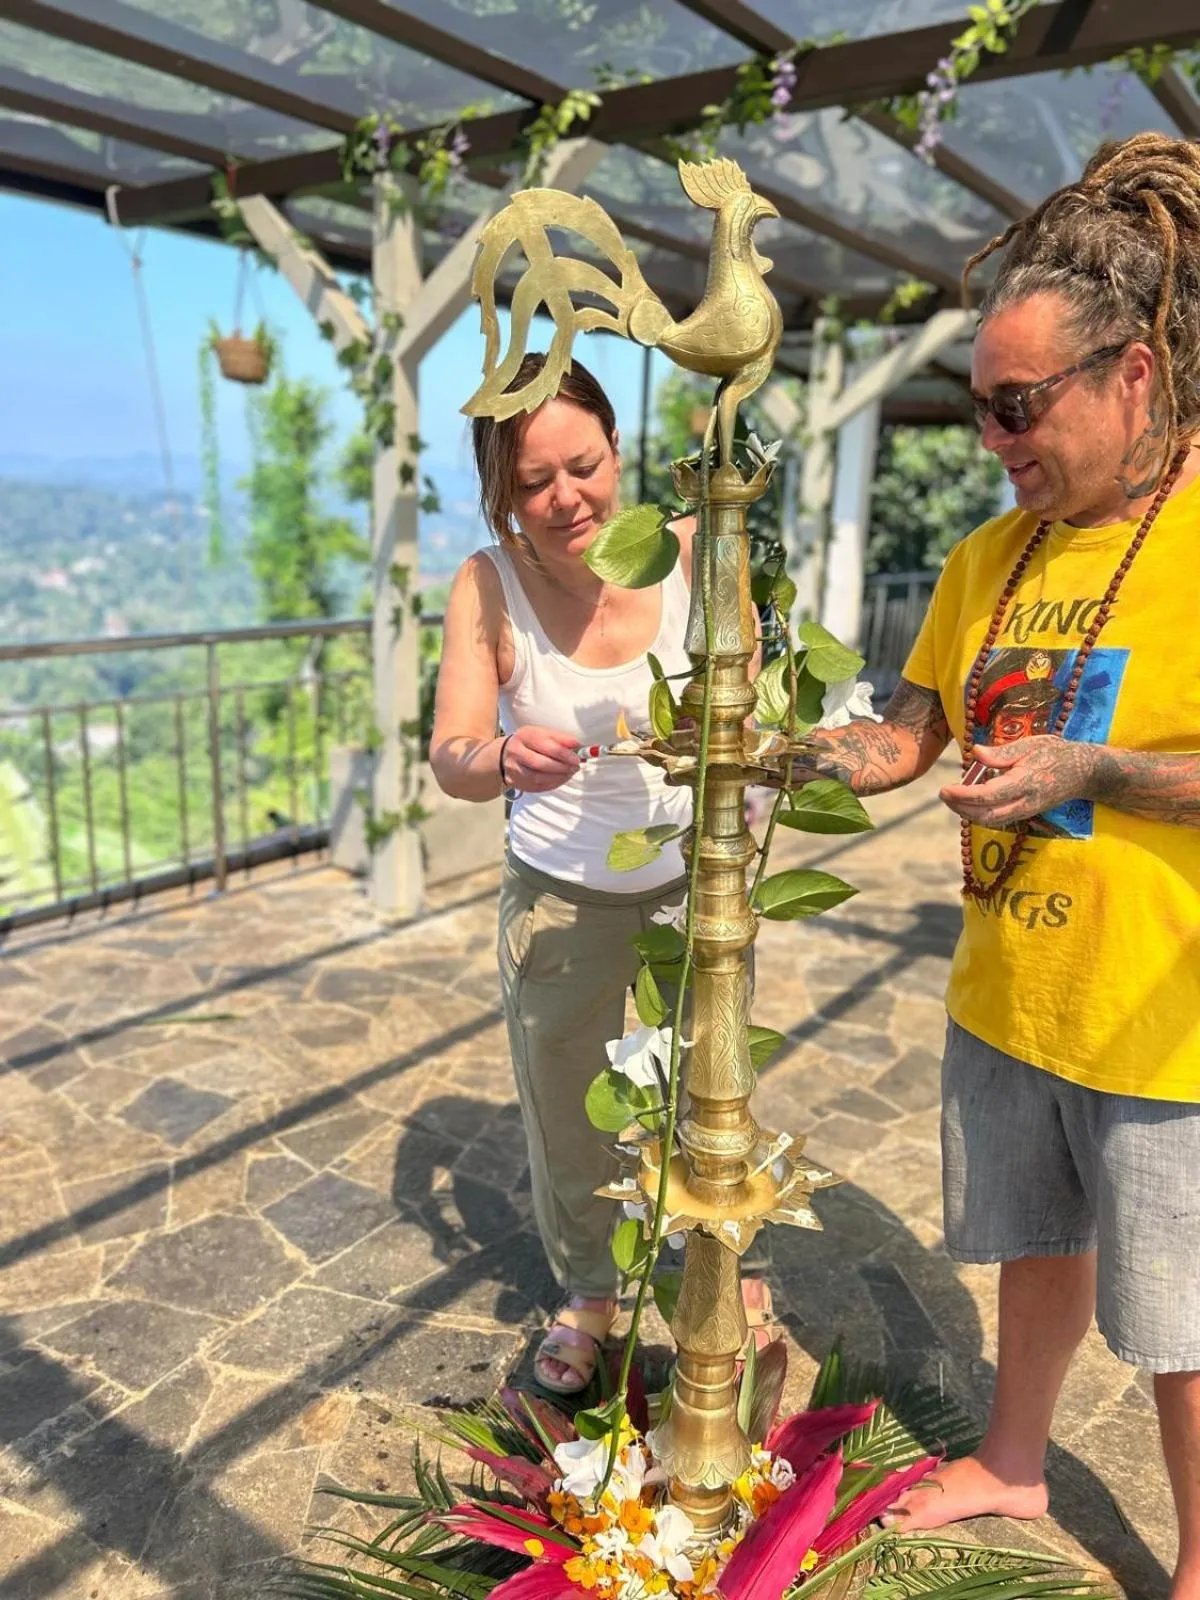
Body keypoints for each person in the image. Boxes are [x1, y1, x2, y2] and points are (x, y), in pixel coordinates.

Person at [793, 133, 1200, 1596]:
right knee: (1037, 1249)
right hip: (1014, 989)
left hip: (1169, 1023)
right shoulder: (989, 556)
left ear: (1134, 373)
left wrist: (1095, 771)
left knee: (1183, 1324)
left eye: (1020, 405)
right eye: (980, 410)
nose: (995, 439)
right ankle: (1016, 1465)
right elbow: (903, 742)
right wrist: (767, 755)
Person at [430, 352, 771, 1394]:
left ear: (620, 452)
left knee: (708, 1092)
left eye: (582, 465)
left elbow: (747, 703)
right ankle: (589, 1289)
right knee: (570, 1105)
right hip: (561, 897)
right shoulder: (489, 584)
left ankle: (724, 1268)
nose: (564, 498)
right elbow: (451, 756)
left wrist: (756, 783)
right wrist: (500, 759)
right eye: (533, 484)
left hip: (688, 889)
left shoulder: (698, 552)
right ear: (502, 491)